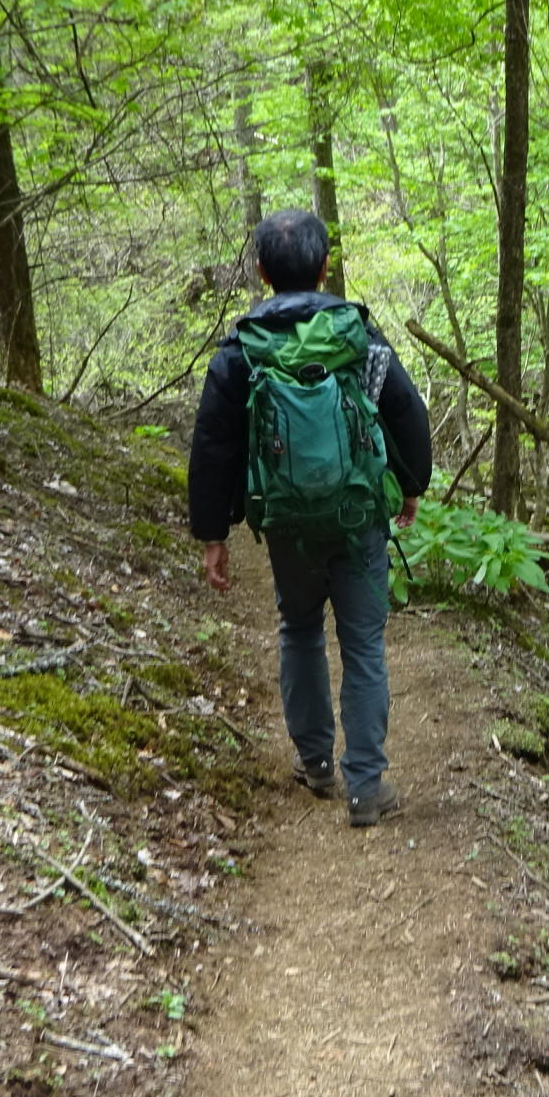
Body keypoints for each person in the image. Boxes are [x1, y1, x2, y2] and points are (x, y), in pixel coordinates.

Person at [188, 210, 432, 826]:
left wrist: (213, 533)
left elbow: (213, 446)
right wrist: (410, 487)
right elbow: (408, 412)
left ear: (263, 271)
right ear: (325, 268)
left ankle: (317, 763)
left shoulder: (241, 349)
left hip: (286, 524)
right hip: (357, 518)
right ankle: (366, 786)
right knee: (364, 643)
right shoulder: (358, 336)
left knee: (299, 628)